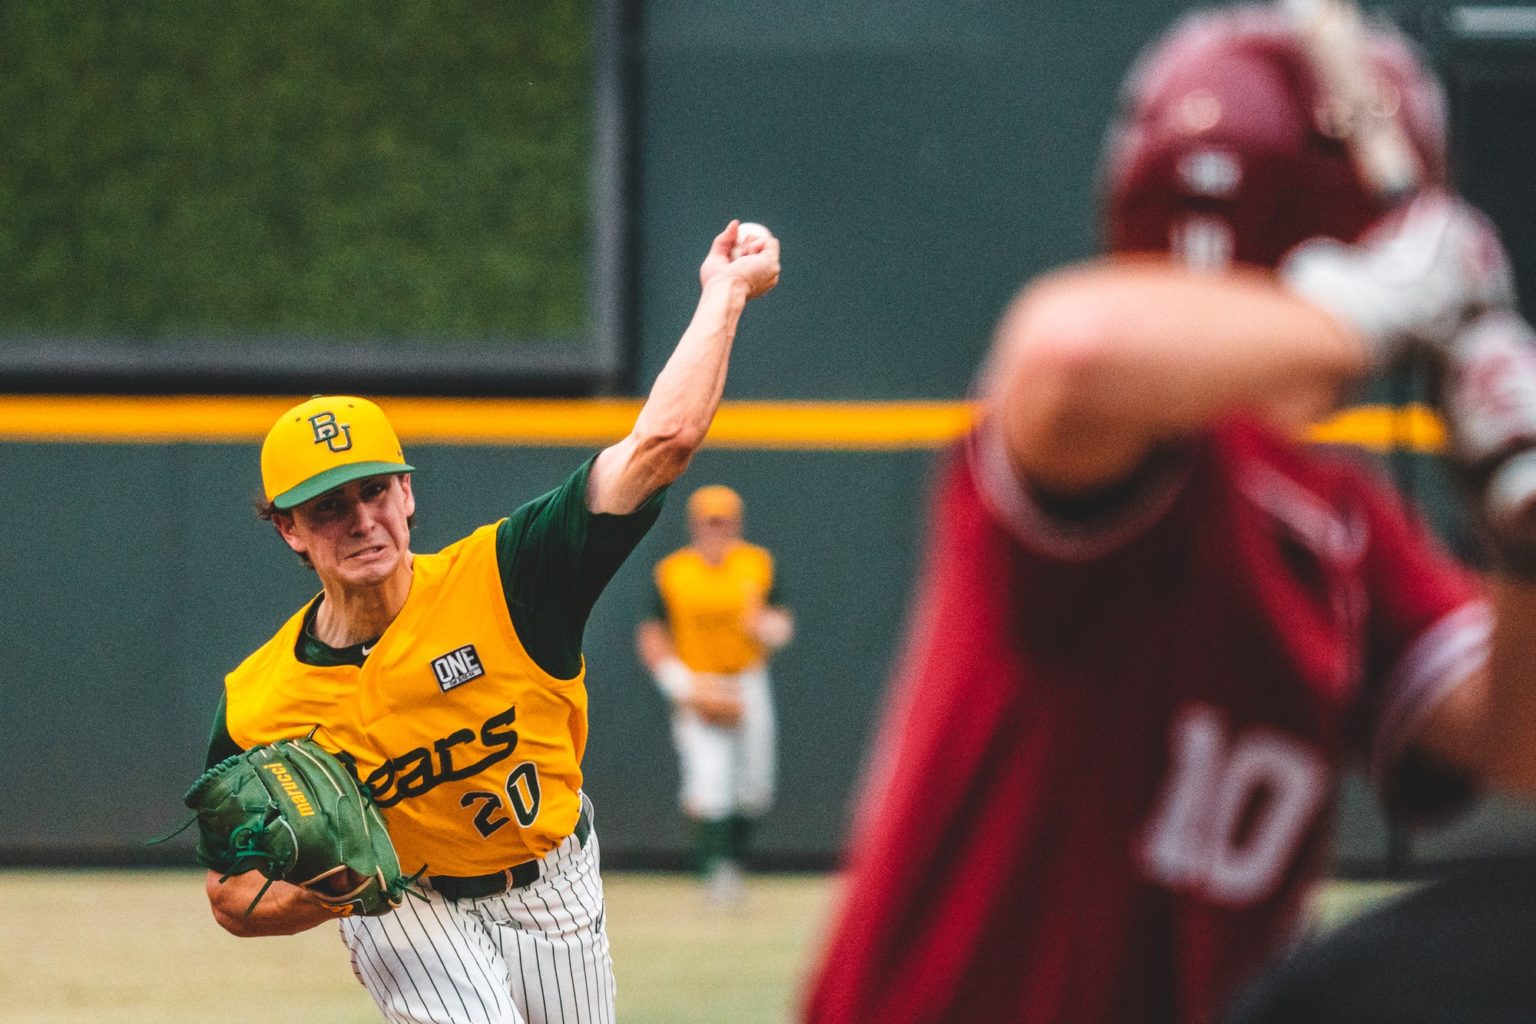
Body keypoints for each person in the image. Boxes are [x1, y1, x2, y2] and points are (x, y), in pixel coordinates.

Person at [802, 6, 1536, 1024]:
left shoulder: (1339, 521)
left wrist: (1521, 543)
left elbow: (1518, 747)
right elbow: (1073, 354)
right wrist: (1365, 306)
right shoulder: (1126, 451)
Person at [197, 220, 780, 1024]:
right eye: (328, 508)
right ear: (288, 531)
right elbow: (230, 895)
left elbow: (663, 441)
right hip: (407, 906)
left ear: (407, 493)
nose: (361, 520)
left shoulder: (508, 576)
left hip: (554, 880)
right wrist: (334, 891)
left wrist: (724, 291)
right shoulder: (260, 700)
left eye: (373, 491)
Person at [635, 484, 794, 904]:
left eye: (723, 522)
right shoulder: (674, 572)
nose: (716, 530)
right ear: (695, 525)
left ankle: (734, 863)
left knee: (755, 784)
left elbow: (780, 619)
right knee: (709, 779)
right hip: (700, 680)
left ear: (737, 524)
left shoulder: (756, 565)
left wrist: (770, 628)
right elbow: (652, 631)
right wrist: (677, 682)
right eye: (709, 522)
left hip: (747, 677)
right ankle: (714, 873)